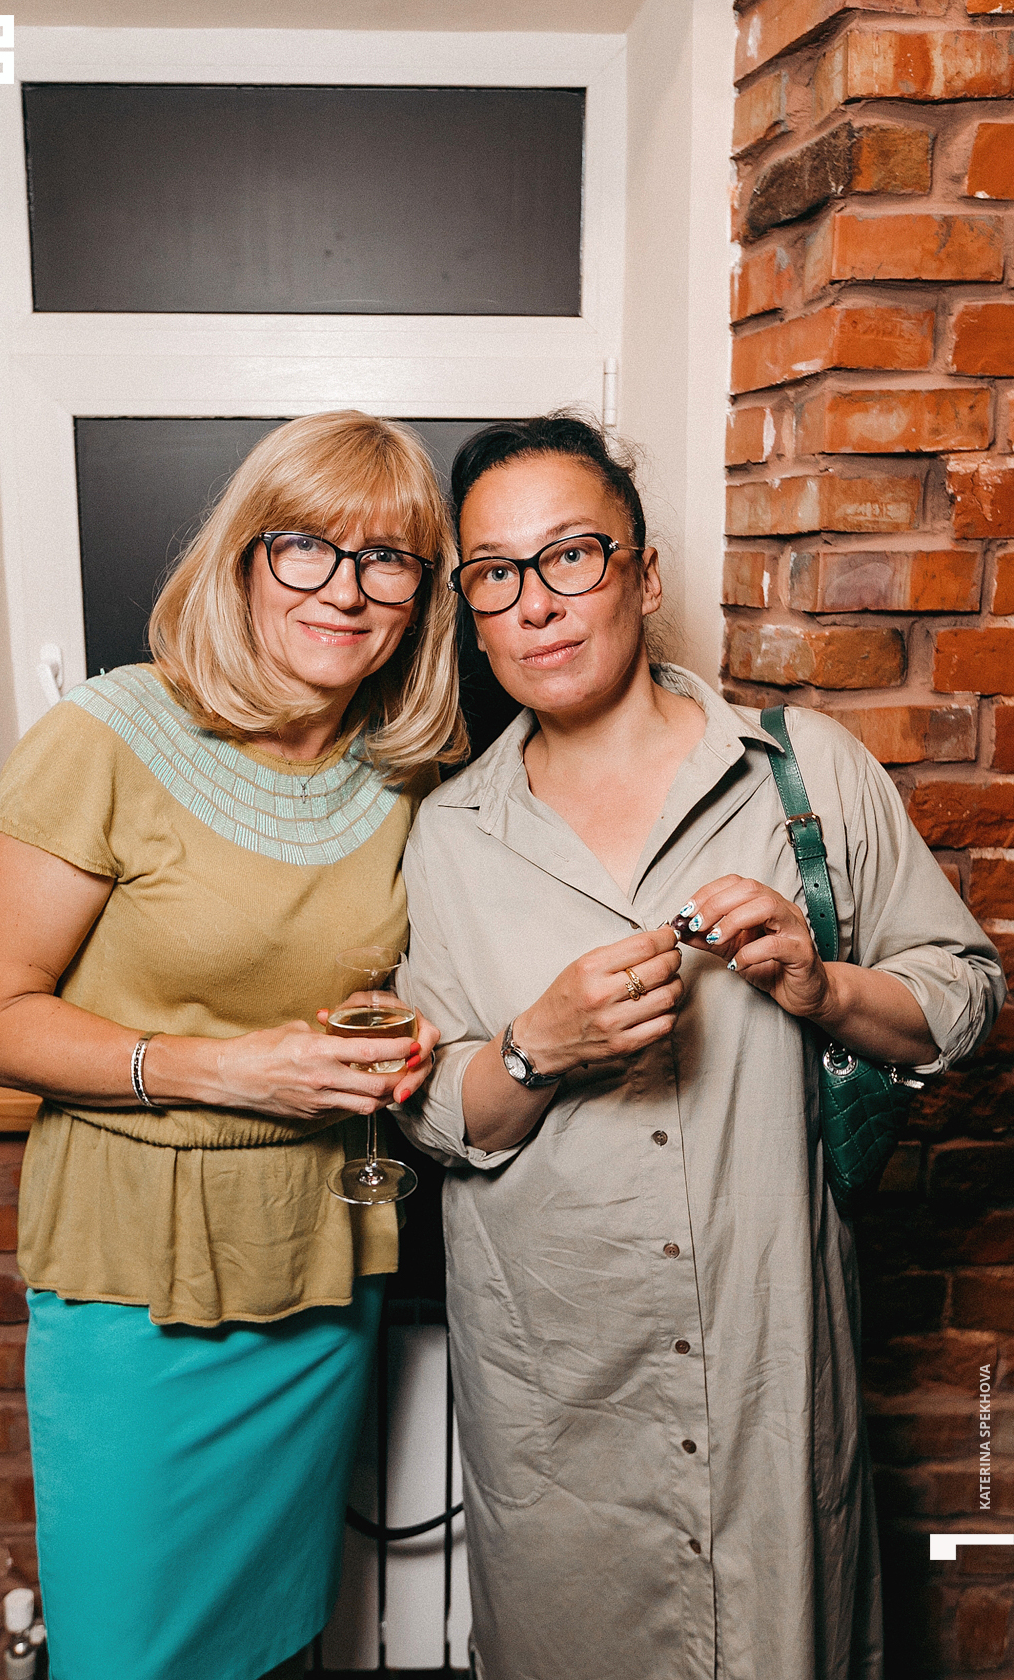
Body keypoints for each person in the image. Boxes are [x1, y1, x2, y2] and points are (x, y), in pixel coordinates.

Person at [397, 414, 1006, 1680]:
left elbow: (961, 999)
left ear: (644, 575)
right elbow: (433, 1116)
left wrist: (822, 986)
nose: (536, 603)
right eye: (495, 574)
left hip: (766, 1382)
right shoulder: (448, 833)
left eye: (571, 555)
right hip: (559, 1405)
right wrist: (536, 1046)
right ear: (472, 613)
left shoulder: (802, 772)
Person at [0, 412, 464, 1680]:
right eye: (306, 548)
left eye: (386, 560)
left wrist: (415, 1038)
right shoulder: (107, 734)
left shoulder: (406, 769)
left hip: (320, 1249)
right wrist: (224, 1068)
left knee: (272, 1640)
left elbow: (388, 981)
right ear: (243, 559)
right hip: (137, 1268)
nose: (344, 590)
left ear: (420, 595)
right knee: (130, 1652)